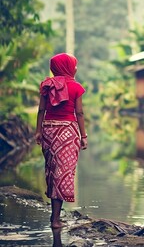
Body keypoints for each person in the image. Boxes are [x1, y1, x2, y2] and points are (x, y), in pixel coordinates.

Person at [35, 53, 88, 229]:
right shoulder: (76, 87)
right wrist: (84, 136)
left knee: (52, 171)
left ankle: (55, 217)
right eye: (74, 65)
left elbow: (41, 110)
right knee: (62, 174)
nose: (76, 68)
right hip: (67, 132)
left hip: (48, 130)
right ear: (68, 67)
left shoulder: (47, 85)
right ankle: (55, 220)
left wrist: (38, 131)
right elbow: (79, 113)